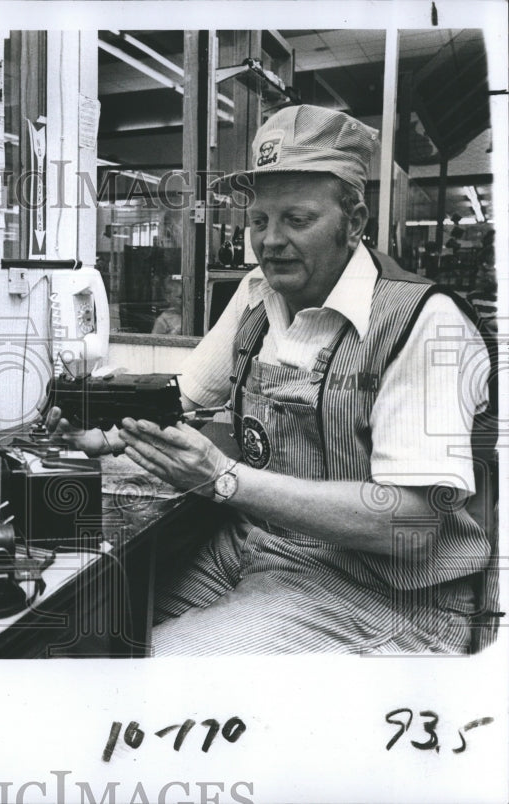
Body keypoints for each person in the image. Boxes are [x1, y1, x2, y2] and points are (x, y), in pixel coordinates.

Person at [46, 104, 493, 655]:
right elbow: (184, 397)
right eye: (259, 221)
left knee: (164, 669)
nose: (270, 241)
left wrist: (225, 480)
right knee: (94, 620)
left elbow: (412, 524)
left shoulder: (424, 324)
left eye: (297, 220)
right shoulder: (260, 292)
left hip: (388, 594)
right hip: (262, 549)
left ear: (353, 222)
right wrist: (108, 436)